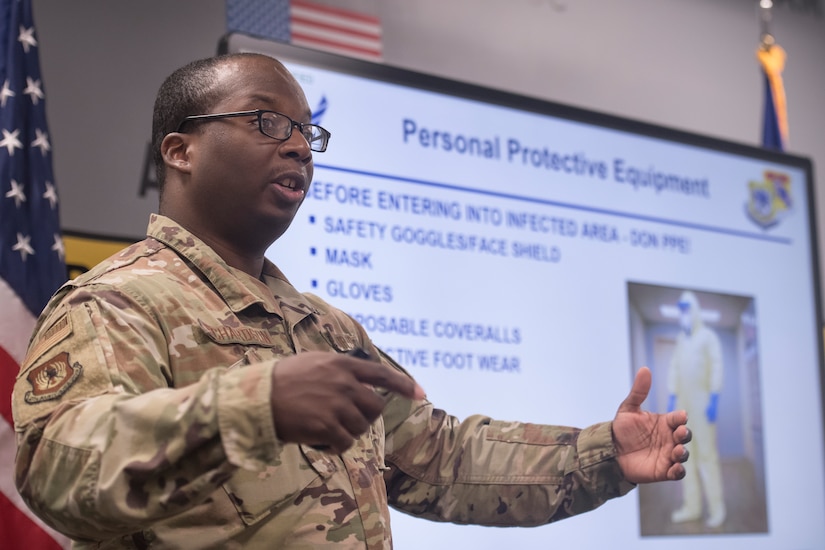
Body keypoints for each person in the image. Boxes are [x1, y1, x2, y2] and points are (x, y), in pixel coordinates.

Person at [13, 52, 691, 549]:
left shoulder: (325, 328)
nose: (298, 147)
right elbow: (57, 476)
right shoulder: (115, 303)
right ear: (180, 150)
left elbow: (441, 462)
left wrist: (603, 456)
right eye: (264, 121)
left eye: (307, 132)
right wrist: (256, 407)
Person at [667, 290, 726, 528]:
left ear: (695, 310)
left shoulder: (707, 336)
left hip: (702, 403)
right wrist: (671, 396)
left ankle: (717, 508)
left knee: (707, 458)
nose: (683, 314)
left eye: (686, 309)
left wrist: (714, 397)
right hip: (683, 405)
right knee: (685, 458)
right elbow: (674, 368)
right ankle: (692, 507)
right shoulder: (682, 339)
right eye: (680, 309)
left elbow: (717, 365)